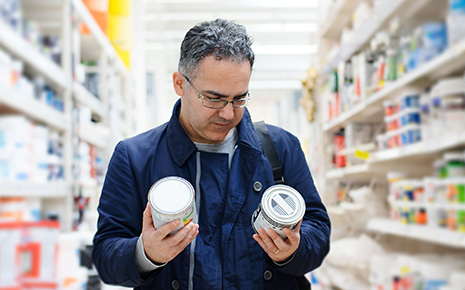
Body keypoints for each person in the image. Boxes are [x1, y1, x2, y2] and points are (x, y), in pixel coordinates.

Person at [92, 18, 330, 290]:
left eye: (239, 98)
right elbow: (105, 254)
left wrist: (294, 250)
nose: (228, 113)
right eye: (214, 98)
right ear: (180, 84)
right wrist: (146, 254)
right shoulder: (133, 157)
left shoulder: (281, 148)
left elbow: (318, 231)